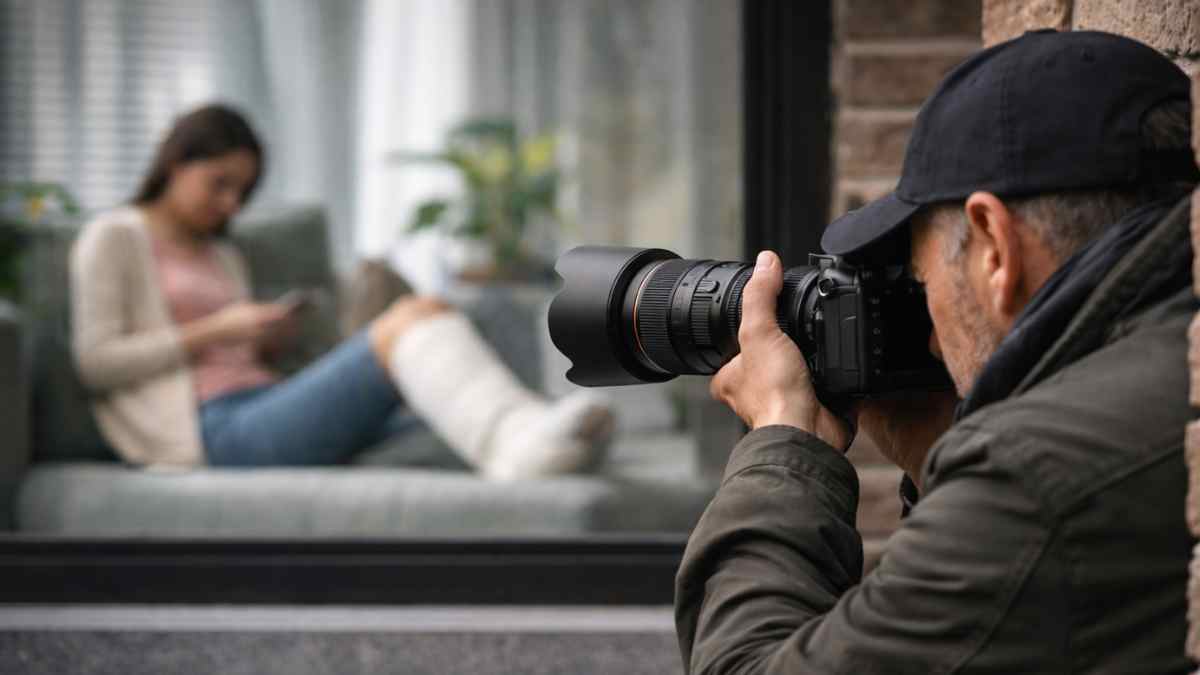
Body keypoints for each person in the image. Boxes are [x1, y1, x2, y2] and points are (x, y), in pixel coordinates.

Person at [676, 30, 1199, 673]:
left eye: (923, 281)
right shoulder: (1168, 359)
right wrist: (937, 451)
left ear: (994, 247)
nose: (927, 331)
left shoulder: (1035, 473)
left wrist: (783, 439)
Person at [70, 103, 613, 480]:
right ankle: (525, 443)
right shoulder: (113, 237)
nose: (232, 205)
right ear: (175, 162)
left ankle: (533, 442)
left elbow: (240, 353)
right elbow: (96, 364)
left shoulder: (224, 253)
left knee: (440, 400)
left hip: (266, 399)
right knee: (411, 316)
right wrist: (217, 328)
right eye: (220, 184)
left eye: (243, 191)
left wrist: (264, 340)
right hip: (214, 430)